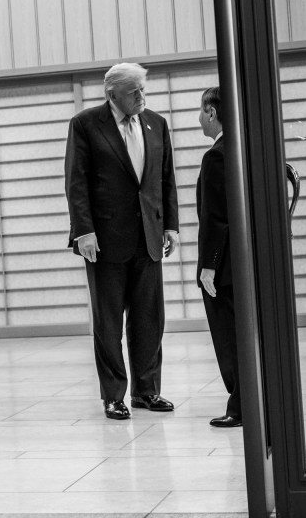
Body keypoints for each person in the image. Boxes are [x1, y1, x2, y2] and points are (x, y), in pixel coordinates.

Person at [64, 62, 179, 420]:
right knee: (109, 323)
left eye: (143, 90)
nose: (142, 97)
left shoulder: (156, 123)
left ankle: (147, 391)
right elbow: (76, 180)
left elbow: (166, 179)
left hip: (149, 236)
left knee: (149, 319)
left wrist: (171, 226)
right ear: (111, 94)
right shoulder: (85, 124)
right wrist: (83, 230)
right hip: (104, 241)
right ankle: (113, 395)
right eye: (135, 92)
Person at [196, 86, 242, 428]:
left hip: (225, 265)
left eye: (201, 111)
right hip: (248, 260)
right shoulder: (245, 148)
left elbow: (215, 218)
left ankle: (239, 405)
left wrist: (209, 266)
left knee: (229, 337)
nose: (199, 118)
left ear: (212, 113)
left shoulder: (217, 155)